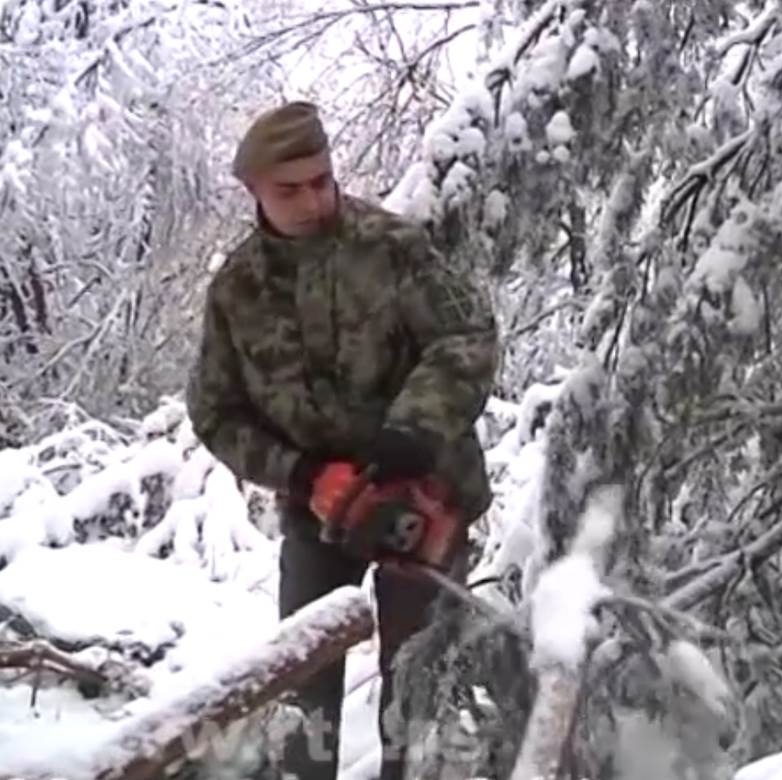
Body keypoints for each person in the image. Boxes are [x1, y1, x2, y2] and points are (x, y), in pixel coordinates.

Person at [185, 101, 498, 780]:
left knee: (419, 693)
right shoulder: (236, 290)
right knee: (305, 690)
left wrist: (413, 429)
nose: (311, 201)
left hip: (426, 497)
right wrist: (301, 476)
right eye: (288, 190)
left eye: (320, 180)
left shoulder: (394, 247)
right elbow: (215, 412)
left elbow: (466, 337)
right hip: (318, 517)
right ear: (255, 192)